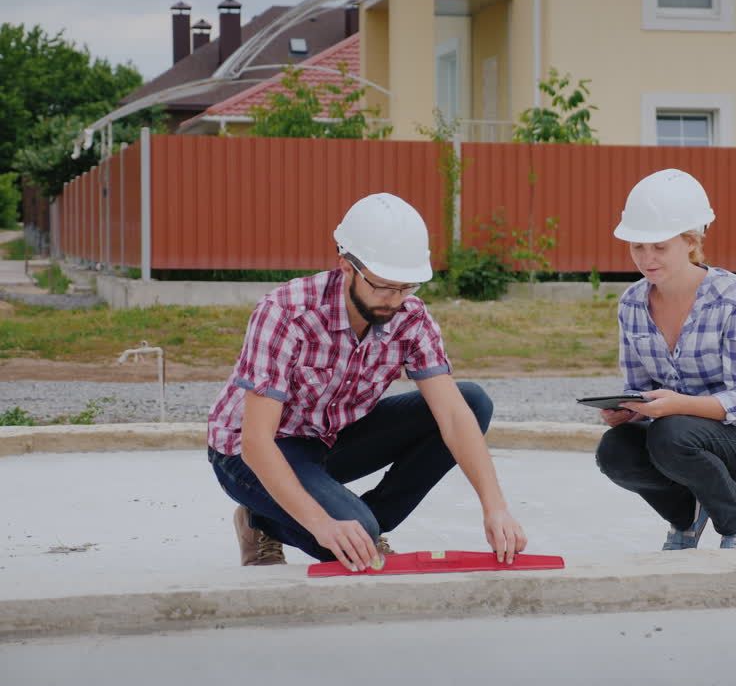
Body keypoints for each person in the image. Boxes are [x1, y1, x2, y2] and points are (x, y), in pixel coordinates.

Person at [207, 192, 527, 570]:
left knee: (472, 402)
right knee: (344, 542)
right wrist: (322, 524)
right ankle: (260, 521)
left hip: (328, 441)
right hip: (249, 454)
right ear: (346, 265)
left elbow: (455, 417)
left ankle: (363, 528)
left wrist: (495, 508)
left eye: (406, 287)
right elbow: (256, 443)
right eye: (382, 286)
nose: (394, 300)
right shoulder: (286, 312)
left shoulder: (411, 317)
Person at [595, 169, 736, 550]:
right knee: (615, 450)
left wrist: (677, 405)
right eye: (638, 247)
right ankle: (684, 518)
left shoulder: (732, 296)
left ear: (690, 241)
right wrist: (630, 410)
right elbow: (640, 389)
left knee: (671, 432)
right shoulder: (632, 303)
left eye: (659, 247)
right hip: (681, 439)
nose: (646, 258)